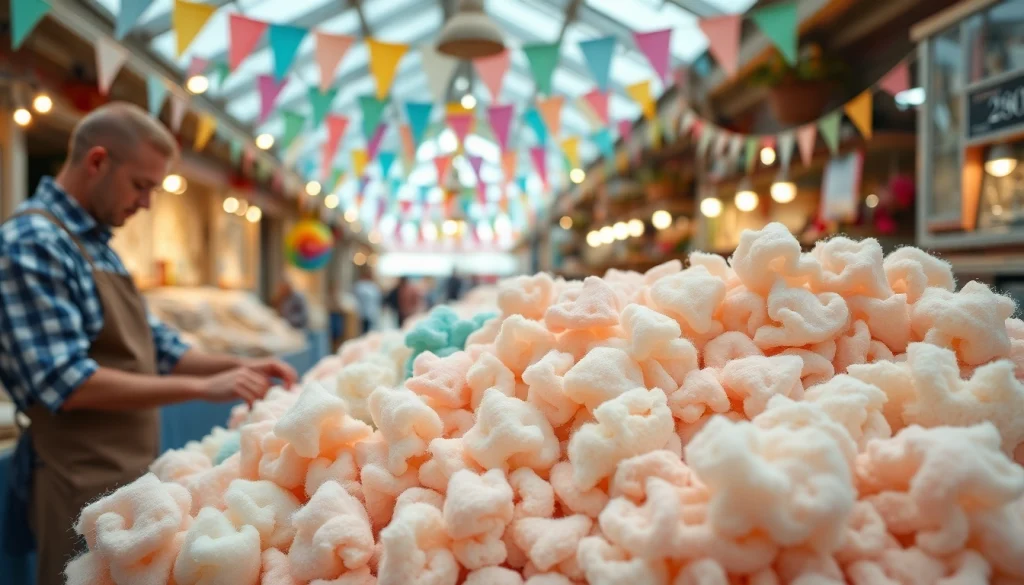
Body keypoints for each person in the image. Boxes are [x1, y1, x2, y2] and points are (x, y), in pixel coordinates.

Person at [0, 102, 298, 585]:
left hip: (124, 474)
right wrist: (202, 389)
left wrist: (243, 364)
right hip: (76, 478)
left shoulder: (97, 243)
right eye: (141, 185)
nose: (147, 203)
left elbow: (161, 349)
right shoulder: (32, 243)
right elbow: (66, 382)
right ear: (97, 161)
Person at [353, 266, 383, 334]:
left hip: (371, 312)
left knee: (370, 331)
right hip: (363, 313)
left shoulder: (372, 286)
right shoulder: (360, 285)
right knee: (364, 331)